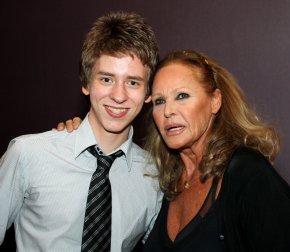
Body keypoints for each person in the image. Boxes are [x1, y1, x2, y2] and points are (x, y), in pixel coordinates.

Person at [0, 11, 163, 251]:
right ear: (86, 84)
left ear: (148, 93)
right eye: (106, 79)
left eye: (133, 82)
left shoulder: (154, 176)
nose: (119, 96)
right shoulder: (27, 154)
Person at [141, 49, 290, 251]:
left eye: (182, 96)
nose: (168, 111)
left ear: (215, 101)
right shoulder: (164, 181)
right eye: (160, 101)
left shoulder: (247, 173)